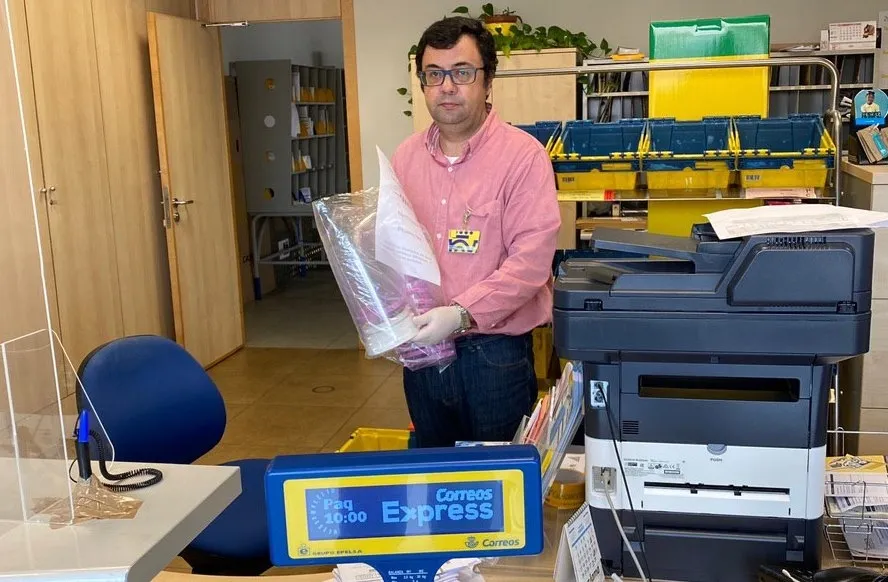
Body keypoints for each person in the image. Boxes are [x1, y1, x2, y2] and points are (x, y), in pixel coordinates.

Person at [390, 16, 561, 448]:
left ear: (487, 83)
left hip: (493, 356)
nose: (447, 86)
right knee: (436, 478)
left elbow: (530, 264)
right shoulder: (405, 158)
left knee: (499, 487)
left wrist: (461, 314)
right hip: (422, 353)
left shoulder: (523, 158)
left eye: (462, 73)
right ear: (424, 83)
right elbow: (392, 246)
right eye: (435, 74)